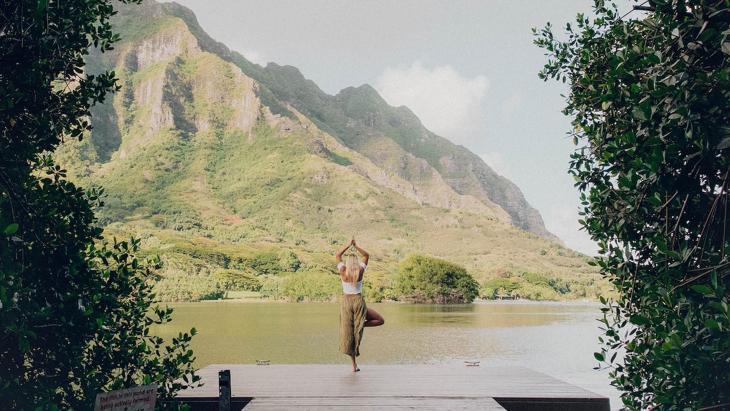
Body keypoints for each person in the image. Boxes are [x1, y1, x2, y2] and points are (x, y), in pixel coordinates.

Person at [335, 237, 384, 372]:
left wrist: (347, 245)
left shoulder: (343, 271)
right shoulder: (360, 271)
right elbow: (366, 255)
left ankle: (354, 366)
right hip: (358, 301)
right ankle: (360, 324)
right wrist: (355, 246)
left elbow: (337, 255)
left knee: (349, 333)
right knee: (380, 320)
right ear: (356, 262)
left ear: (347, 263)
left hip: (346, 303)